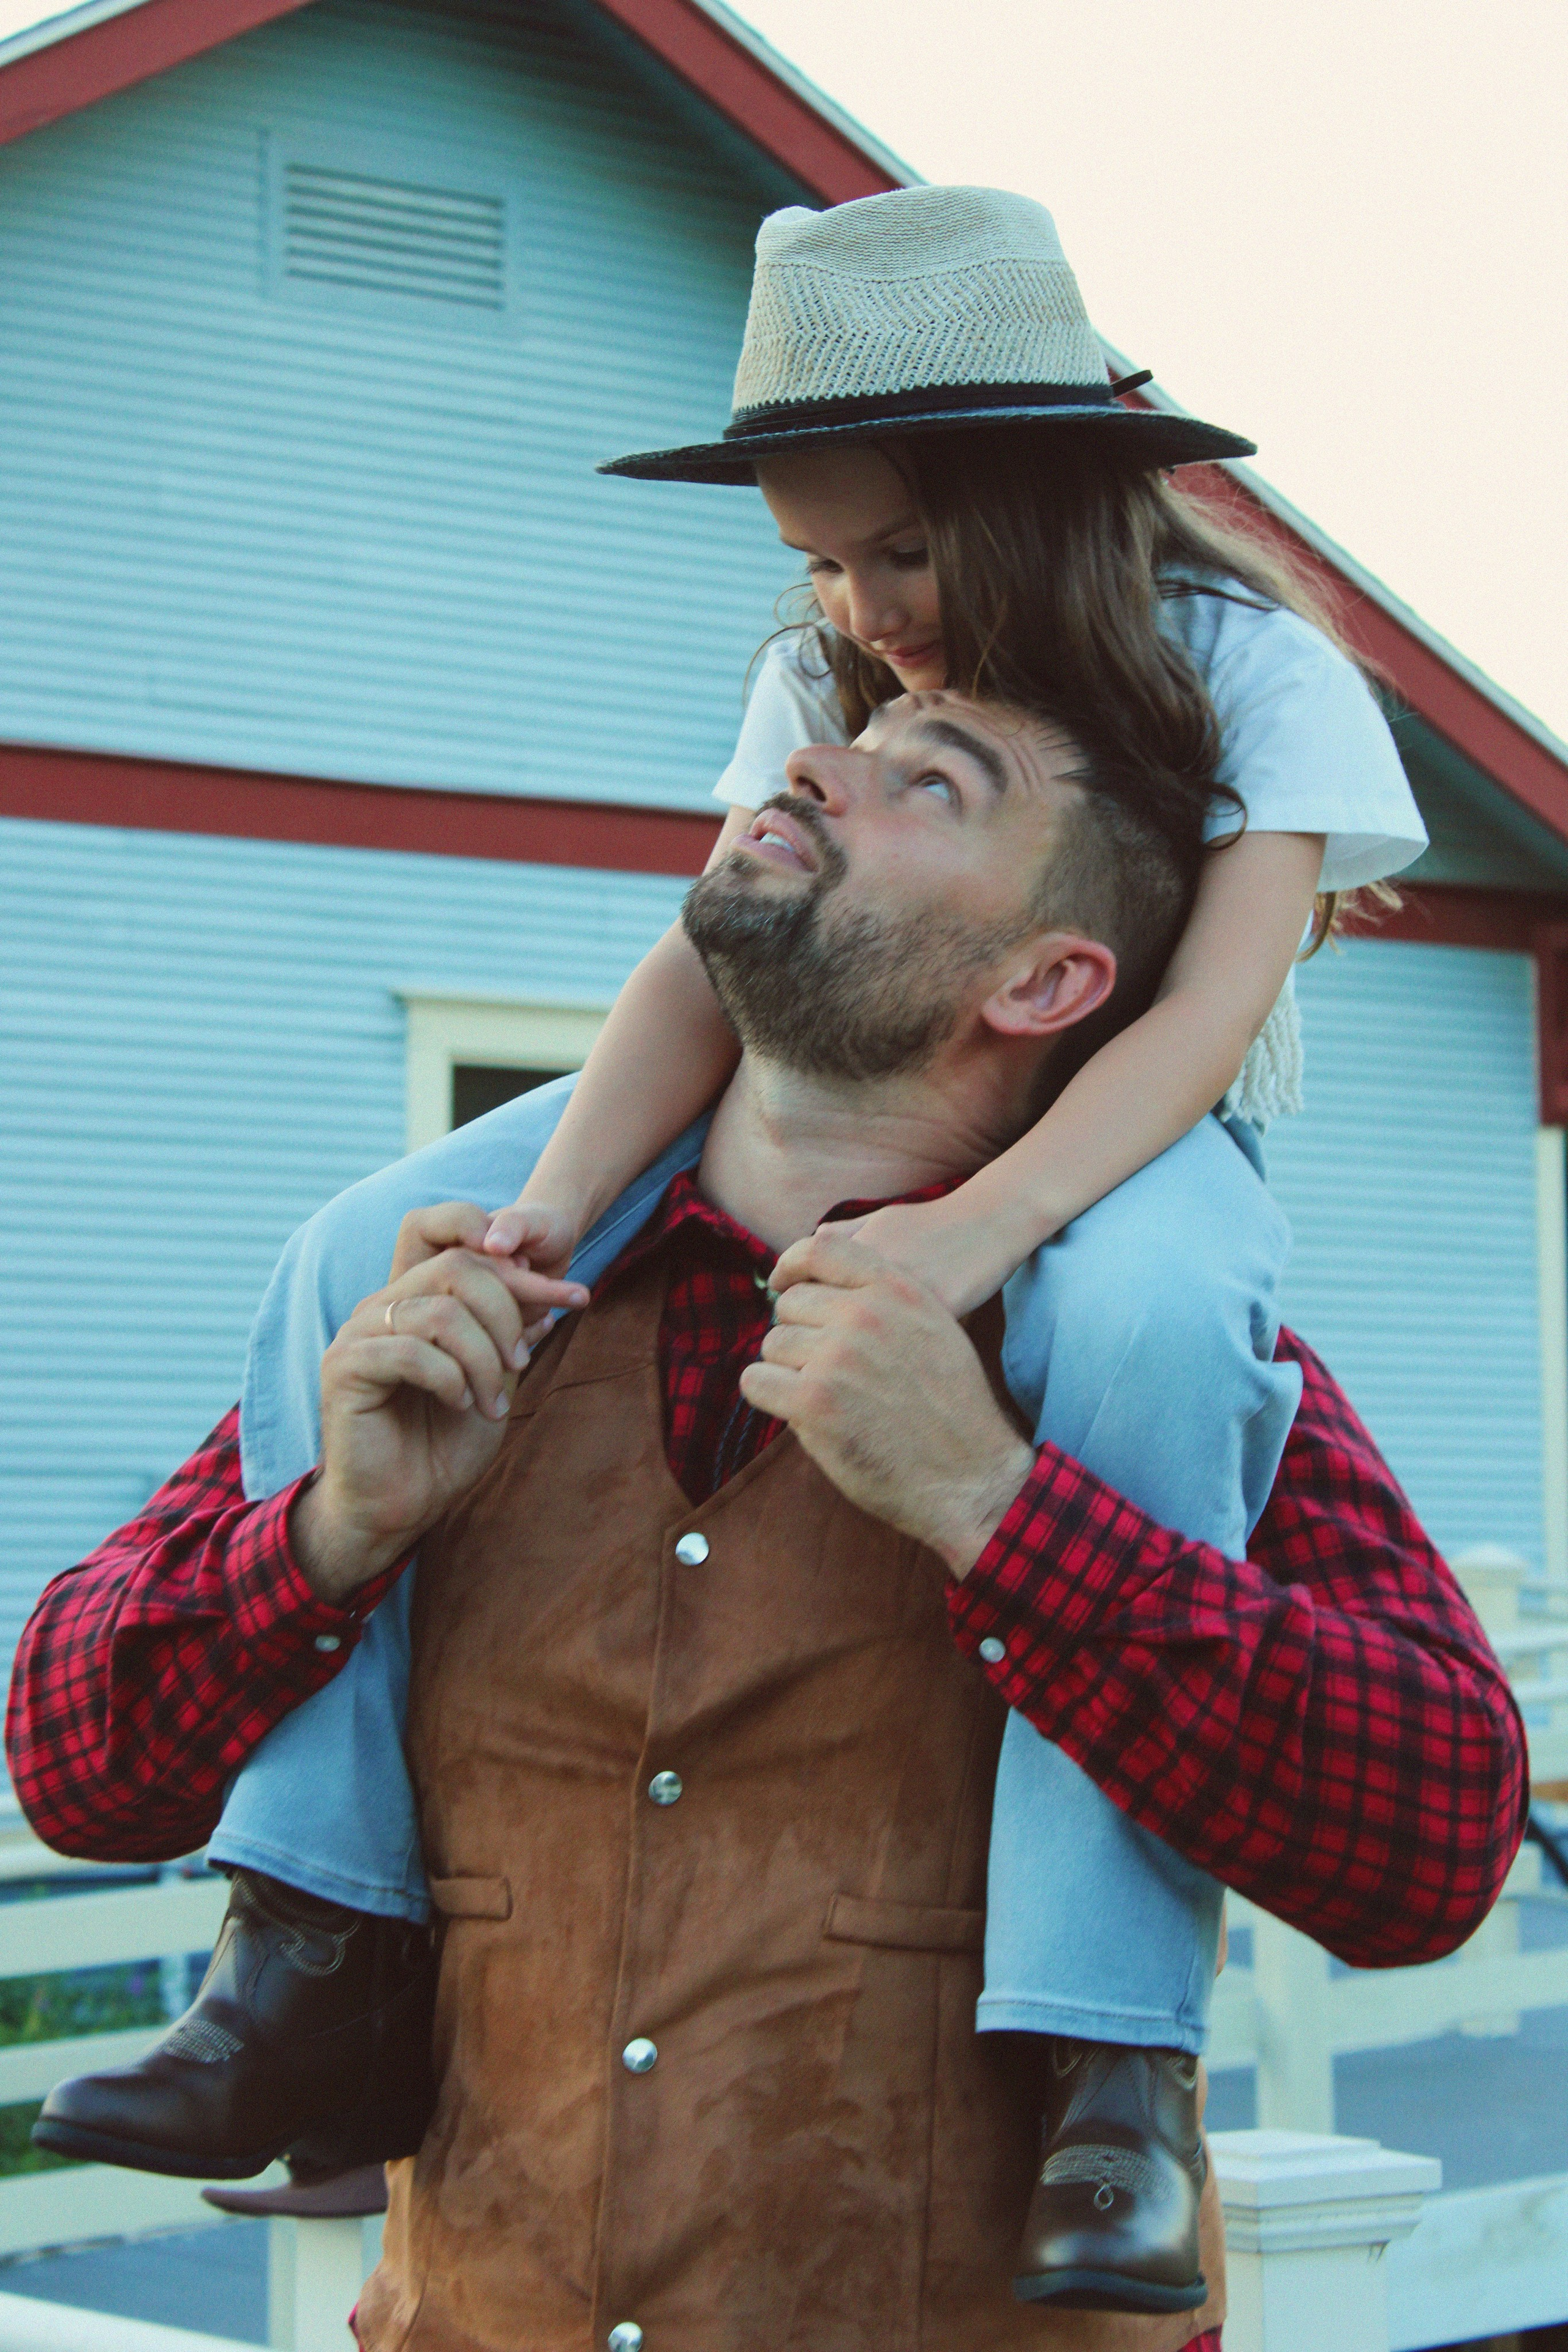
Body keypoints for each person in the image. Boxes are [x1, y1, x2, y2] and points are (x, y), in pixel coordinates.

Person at [23, 189, 1435, 2315]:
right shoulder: (817, 682)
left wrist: (992, 1434)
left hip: (1113, 1148)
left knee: (1142, 1304)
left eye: (903, 567)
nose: (858, 645)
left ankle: (1103, 2054)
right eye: (823, 573)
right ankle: (312, 1948)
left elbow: (1202, 1019)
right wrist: (421, 1395)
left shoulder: (1241, 670)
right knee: (344, 1236)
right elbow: (69, 1755)